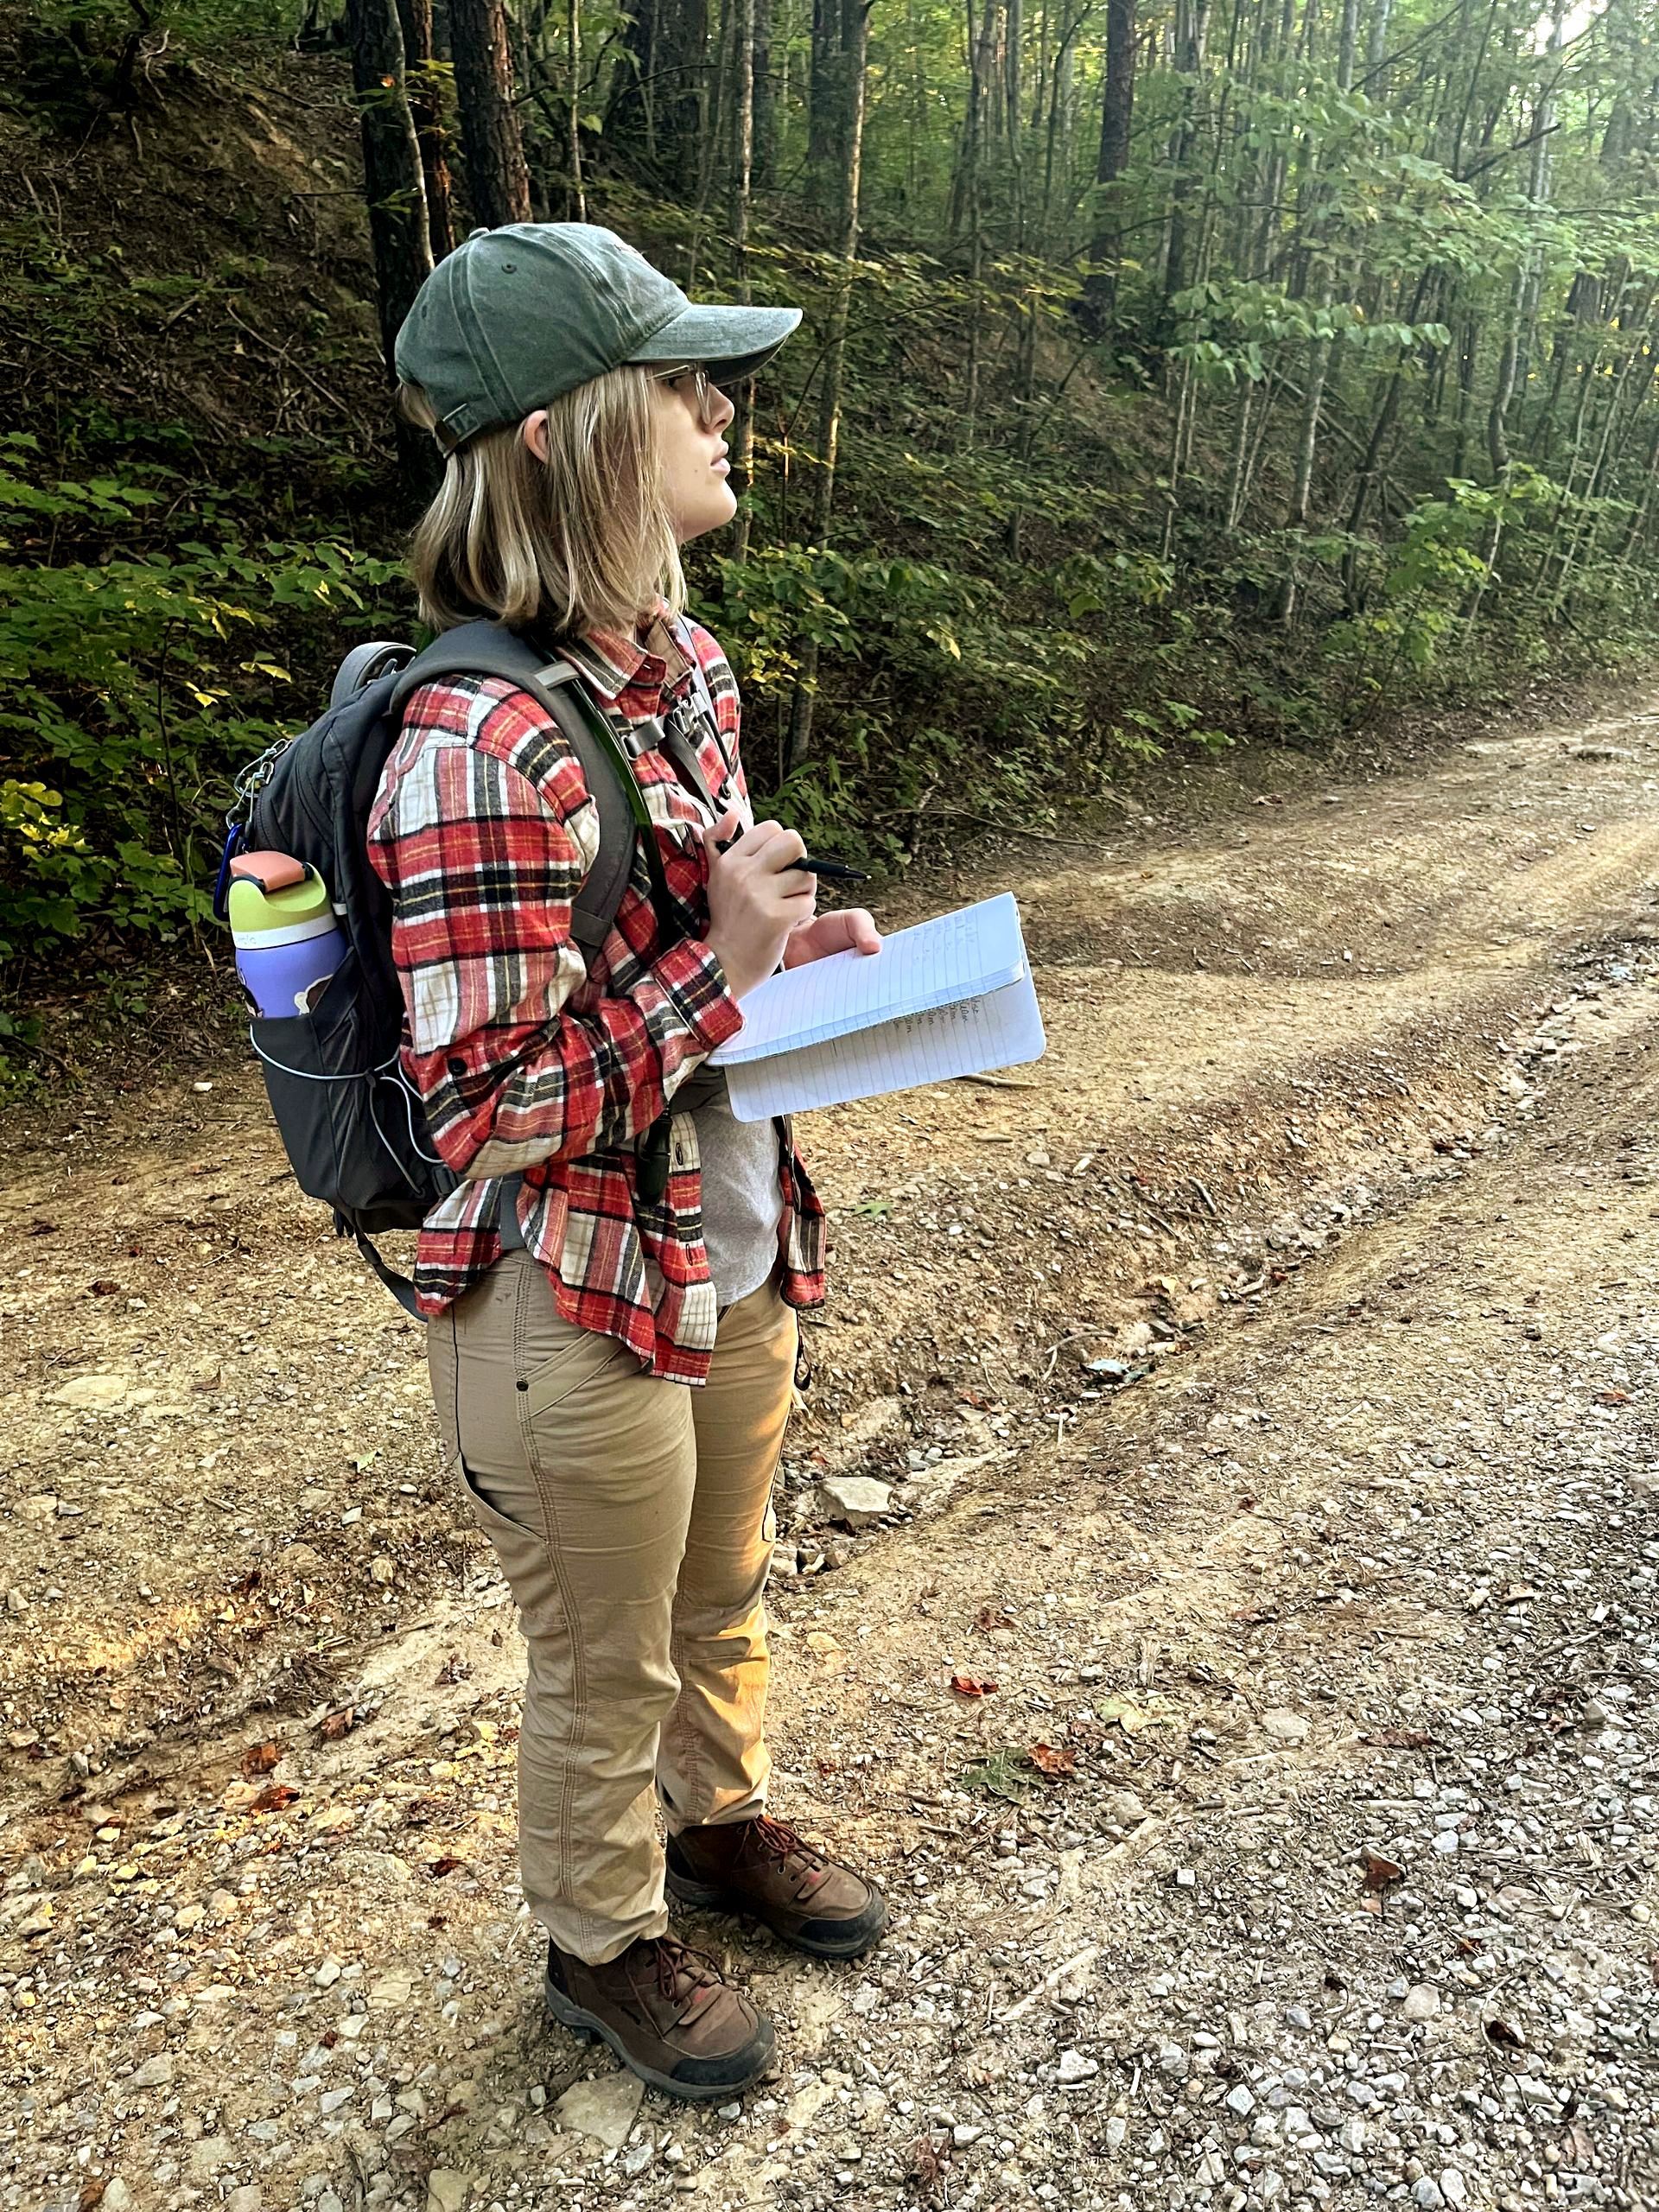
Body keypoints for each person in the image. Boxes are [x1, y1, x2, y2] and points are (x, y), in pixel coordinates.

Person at [365, 223, 888, 2103]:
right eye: (682, 381)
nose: (721, 405)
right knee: (601, 1655)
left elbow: (704, 948)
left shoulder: (688, 665)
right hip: (559, 1294)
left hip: (722, 1235)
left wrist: (792, 963)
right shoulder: (475, 741)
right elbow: (480, 1110)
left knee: (719, 1589)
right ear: (566, 432)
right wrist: (714, 965)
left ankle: (716, 1816)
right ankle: (603, 1940)